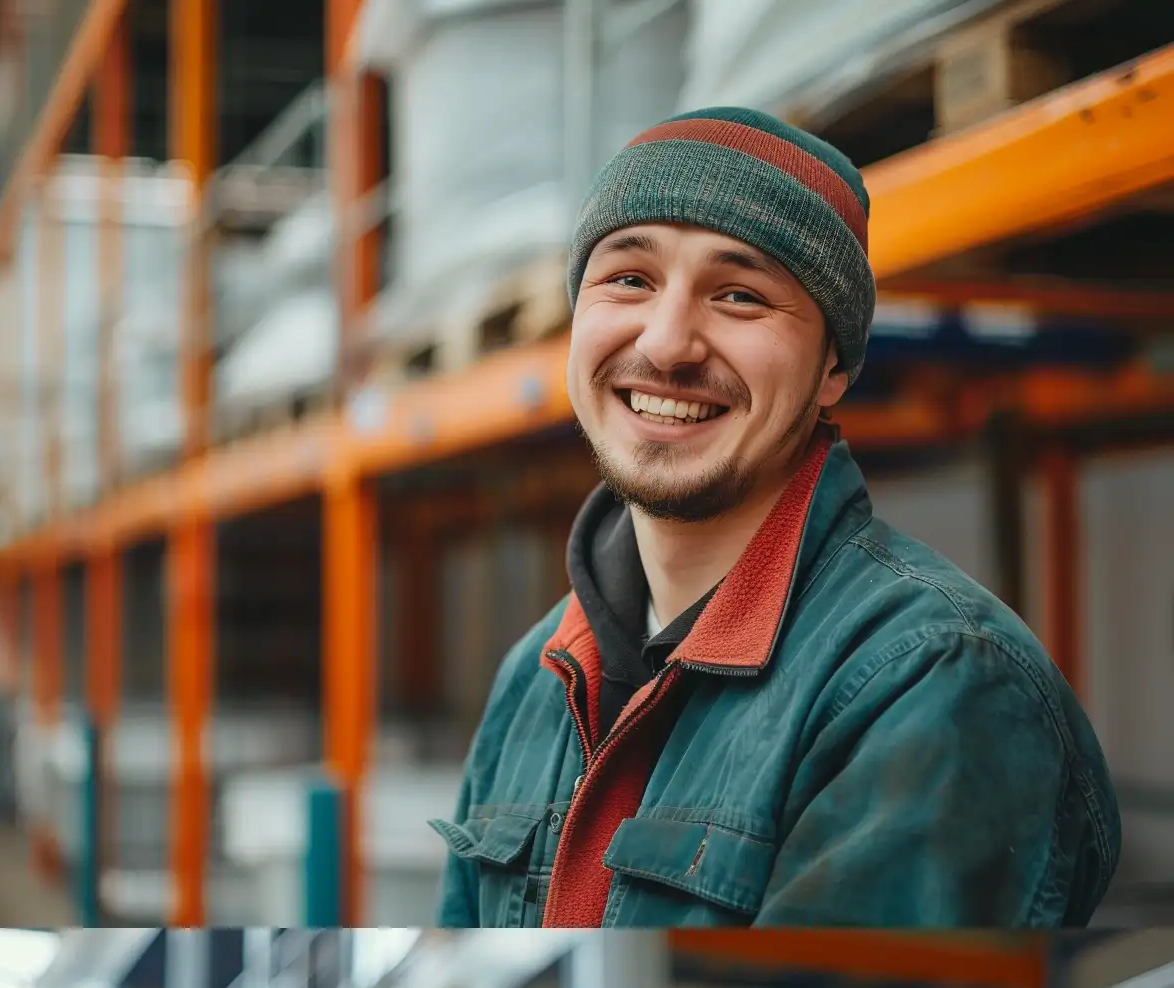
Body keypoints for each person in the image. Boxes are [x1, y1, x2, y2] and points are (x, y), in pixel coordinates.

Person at [434, 107, 1118, 927]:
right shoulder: (533, 680)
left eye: (739, 295)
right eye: (628, 280)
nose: (668, 343)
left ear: (833, 367)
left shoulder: (932, 682)